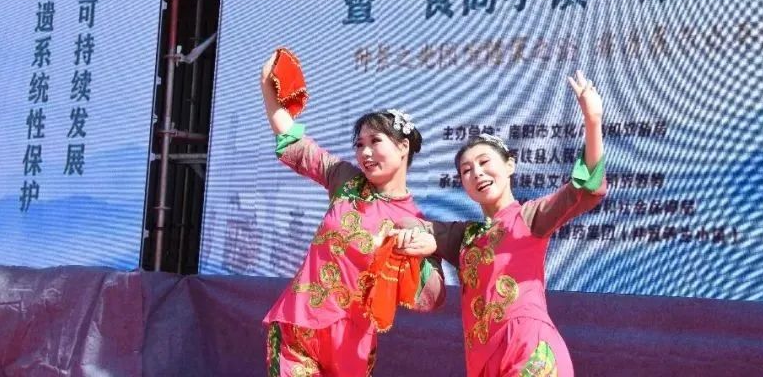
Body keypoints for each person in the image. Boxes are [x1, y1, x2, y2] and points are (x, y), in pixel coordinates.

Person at [394, 71, 606, 376]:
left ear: (509, 165)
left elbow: (585, 189)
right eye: (466, 170)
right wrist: (421, 241)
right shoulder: (464, 237)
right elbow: (405, 223)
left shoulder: (529, 217)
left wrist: (593, 121)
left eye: (484, 162)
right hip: (483, 360)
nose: (477, 173)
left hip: (529, 351)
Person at [258, 49, 444, 376]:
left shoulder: (415, 222)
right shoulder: (346, 180)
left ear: (403, 147)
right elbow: (293, 143)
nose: (365, 152)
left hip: (352, 342)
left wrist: (422, 253)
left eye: (375, 141)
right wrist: (267, 90)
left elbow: (431, 299)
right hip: (298, 323)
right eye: (359, 144)